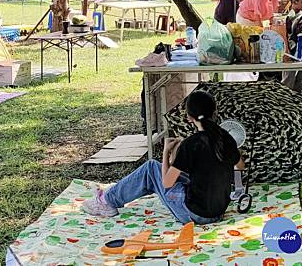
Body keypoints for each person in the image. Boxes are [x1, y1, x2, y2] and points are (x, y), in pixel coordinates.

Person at [82, 89, 243, 224]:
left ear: (189, 117)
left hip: (195, 214)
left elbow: (167, 182)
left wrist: (166, 151)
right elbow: (239, 165)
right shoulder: (225, 137)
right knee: (172, 173)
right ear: (215, 112)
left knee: (151, 168)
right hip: (218, 211)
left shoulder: (191, 144)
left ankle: (106, 201)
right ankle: (110, 197)